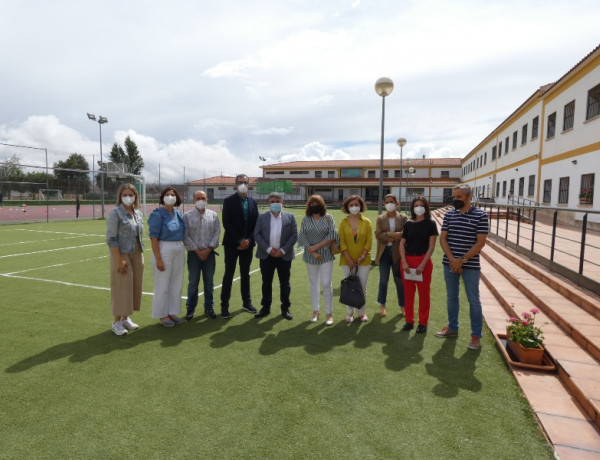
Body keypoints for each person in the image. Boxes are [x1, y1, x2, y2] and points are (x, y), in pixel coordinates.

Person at [436, 184, 489, 350]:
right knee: (452, 297)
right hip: (450, 264)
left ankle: (475, 336)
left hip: (470, 265)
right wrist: (453, 259)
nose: (455, 200)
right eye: (454, 197)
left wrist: (463, 260)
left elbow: (481, 242)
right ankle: (453, 328)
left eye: (459, 197)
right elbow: (443, 238)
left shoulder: (481, 215)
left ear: (469, 196)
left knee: (473, 300)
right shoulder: (449, 214)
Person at [106, 184, 144, 336]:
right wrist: (119, 260)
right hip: (121, 253)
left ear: (136, 196)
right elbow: (111, 238)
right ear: (120, 196)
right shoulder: (115, 213)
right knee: (122, 286)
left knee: (134, 285)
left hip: (136, 251)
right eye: (125, 194)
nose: (128, 197)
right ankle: (116, 322)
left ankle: (125, 318)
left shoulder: (138, 213)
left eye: (131, 194)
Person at [220, 174, 259, 319]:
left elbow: (256, 223)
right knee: (228, 274)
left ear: (249, 185)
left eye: (245, 182)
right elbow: (227, 223)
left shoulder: (253, 202)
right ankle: (224, 306)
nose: (243, 184)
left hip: (248, 245)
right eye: (240, 182)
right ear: (235, 184)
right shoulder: (228, 201)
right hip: (232, 244)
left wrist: (248, 240)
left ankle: (246, 302)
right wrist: (239, 240)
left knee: (245, 274)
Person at [254, 192, 298, 320]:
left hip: (284, 256)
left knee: (285, 283)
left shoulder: (290, 217)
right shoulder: (261, 217)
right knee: (266, 283)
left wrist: (282, 250)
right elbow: (257, 235)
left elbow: (294, 235)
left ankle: (285, 308)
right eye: (272, 201)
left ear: (282, 203)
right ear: (268, 203)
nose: (275, 203)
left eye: (277, 201)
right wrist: (268, 249)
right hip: (266, 255)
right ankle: (265, 308)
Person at [297, 195, 338, 325]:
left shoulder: (328, 218)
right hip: (311, 256)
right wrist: (313, 251)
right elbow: (302, 235)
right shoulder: (306, 219)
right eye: (312, 203)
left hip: (326, 255)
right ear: (309, 206)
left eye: (317, 203)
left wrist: (317, 247)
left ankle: (329, 313)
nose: (315, 205)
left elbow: (332, 234)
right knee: (313, 283)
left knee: (326, 283)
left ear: (322, 204)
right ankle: (316, 310)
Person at [399, 196, 438, 333]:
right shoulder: (408, 224)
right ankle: (409, 320)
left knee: (424, 294)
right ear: (412, 207)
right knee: (408, 294)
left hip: (423, 262)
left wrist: (422, 264)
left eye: (421, 205)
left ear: (426, 207)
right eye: (416, 205)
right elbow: (402, 244)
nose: (419, 207)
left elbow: (431, 246)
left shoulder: (431, 224)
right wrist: (404, 261)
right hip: (407, 262)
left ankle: (423, 322)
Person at [148, 186, 186, 327]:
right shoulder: (157, 214)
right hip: (164, 248)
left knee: (176, 283)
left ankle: (172, 312)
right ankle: (162, 315)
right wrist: (158, 259)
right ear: (162, 197)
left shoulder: (177, 213)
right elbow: (153, 238)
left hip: (178, 248)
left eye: (173, 194)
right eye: (168, 194)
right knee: (162, 285)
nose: (171, 197)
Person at [183, 190, 220, 320]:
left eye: (203, 198)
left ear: (207, 200)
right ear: (193, 200)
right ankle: (190, 309)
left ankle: (209, 308)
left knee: (209, 282)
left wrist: (208, 249)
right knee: (193, 282)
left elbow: (217, 233)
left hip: (209, 254)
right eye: (198, 198)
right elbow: (185, 235)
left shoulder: (213, 215)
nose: (200, 200)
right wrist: (198, 251)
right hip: (194, 255)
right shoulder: (186, 216)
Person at [338, 195, 372, 322]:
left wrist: (362, 257)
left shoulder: (367, 221)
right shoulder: (343, 222)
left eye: (356, 204)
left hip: (364, 261)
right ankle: (349, 313)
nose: (354, 207)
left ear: (361, 206)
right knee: (349, 286)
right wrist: (348, 259)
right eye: (351, 205)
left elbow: (369, 242)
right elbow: (341, 241)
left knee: (361, 286)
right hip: (346, 261)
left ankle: (362, 313)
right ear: (347, 207)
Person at [374, 194, 407, 318]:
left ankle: (403, 306)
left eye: (392, 201)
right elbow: (378, 234)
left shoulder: (403, 218)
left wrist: (388, 234)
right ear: (384, 204)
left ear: (396, 203)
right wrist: (394, 235)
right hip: (384, 253)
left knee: (399, 281)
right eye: (387, 202)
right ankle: (382, 305)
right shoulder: (380, 218)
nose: (389, 204)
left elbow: (405, 234)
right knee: (383, 280)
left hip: (398, 253)